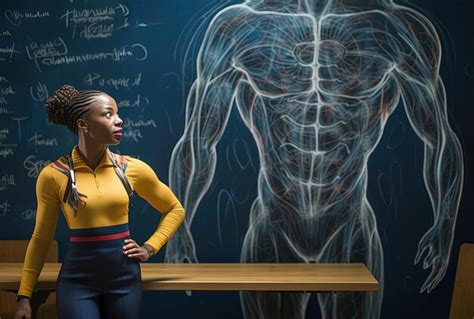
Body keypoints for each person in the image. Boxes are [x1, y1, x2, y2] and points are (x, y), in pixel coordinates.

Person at [163, 0, 464, 318]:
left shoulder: (395, 27)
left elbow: (440, 137)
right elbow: (198, 140)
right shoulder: (240, 26)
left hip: (349, 227)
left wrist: (445, 223)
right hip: (274, 224)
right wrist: (179, 230)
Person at [14, 84, 185, 319]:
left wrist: (149, 247)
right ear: (83, 125)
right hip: (77, 282)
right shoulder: (53, 175)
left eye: (117, 113)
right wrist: (24, 296)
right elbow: (41, 238)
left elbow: (174, 209)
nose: (119, 120)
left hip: (125, 280)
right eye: (108, 114)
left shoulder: (131, 169)